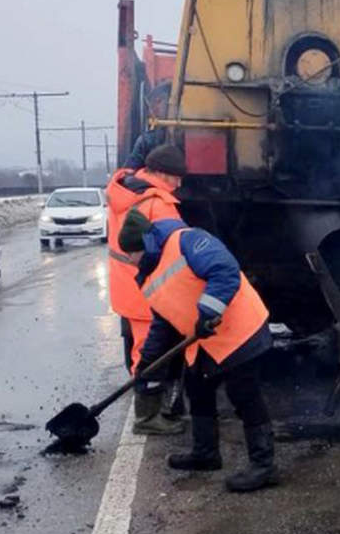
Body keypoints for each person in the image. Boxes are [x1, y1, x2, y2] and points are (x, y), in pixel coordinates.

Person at [117, 209, 279, 493]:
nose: (129, 260)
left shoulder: (187, 241)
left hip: (239, 330)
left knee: (244, 395)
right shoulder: (147, 275)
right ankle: (206, 455)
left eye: (130, 253)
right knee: (197, 390)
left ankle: (265, 466)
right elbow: (162, 323)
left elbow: (225, 271)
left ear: (143, 246)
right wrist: (147, 365)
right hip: (203, 340)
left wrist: (207, 312)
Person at [105, 144, 187, 435]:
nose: (179, 184)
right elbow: (178, 247)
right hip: (148, 290)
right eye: (176, 177)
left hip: (126, 286)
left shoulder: (124, 188)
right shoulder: (158, 204)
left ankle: (154, 408)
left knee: (144, 348)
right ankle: (148, 418)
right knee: (150, 352)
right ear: (162, 173)